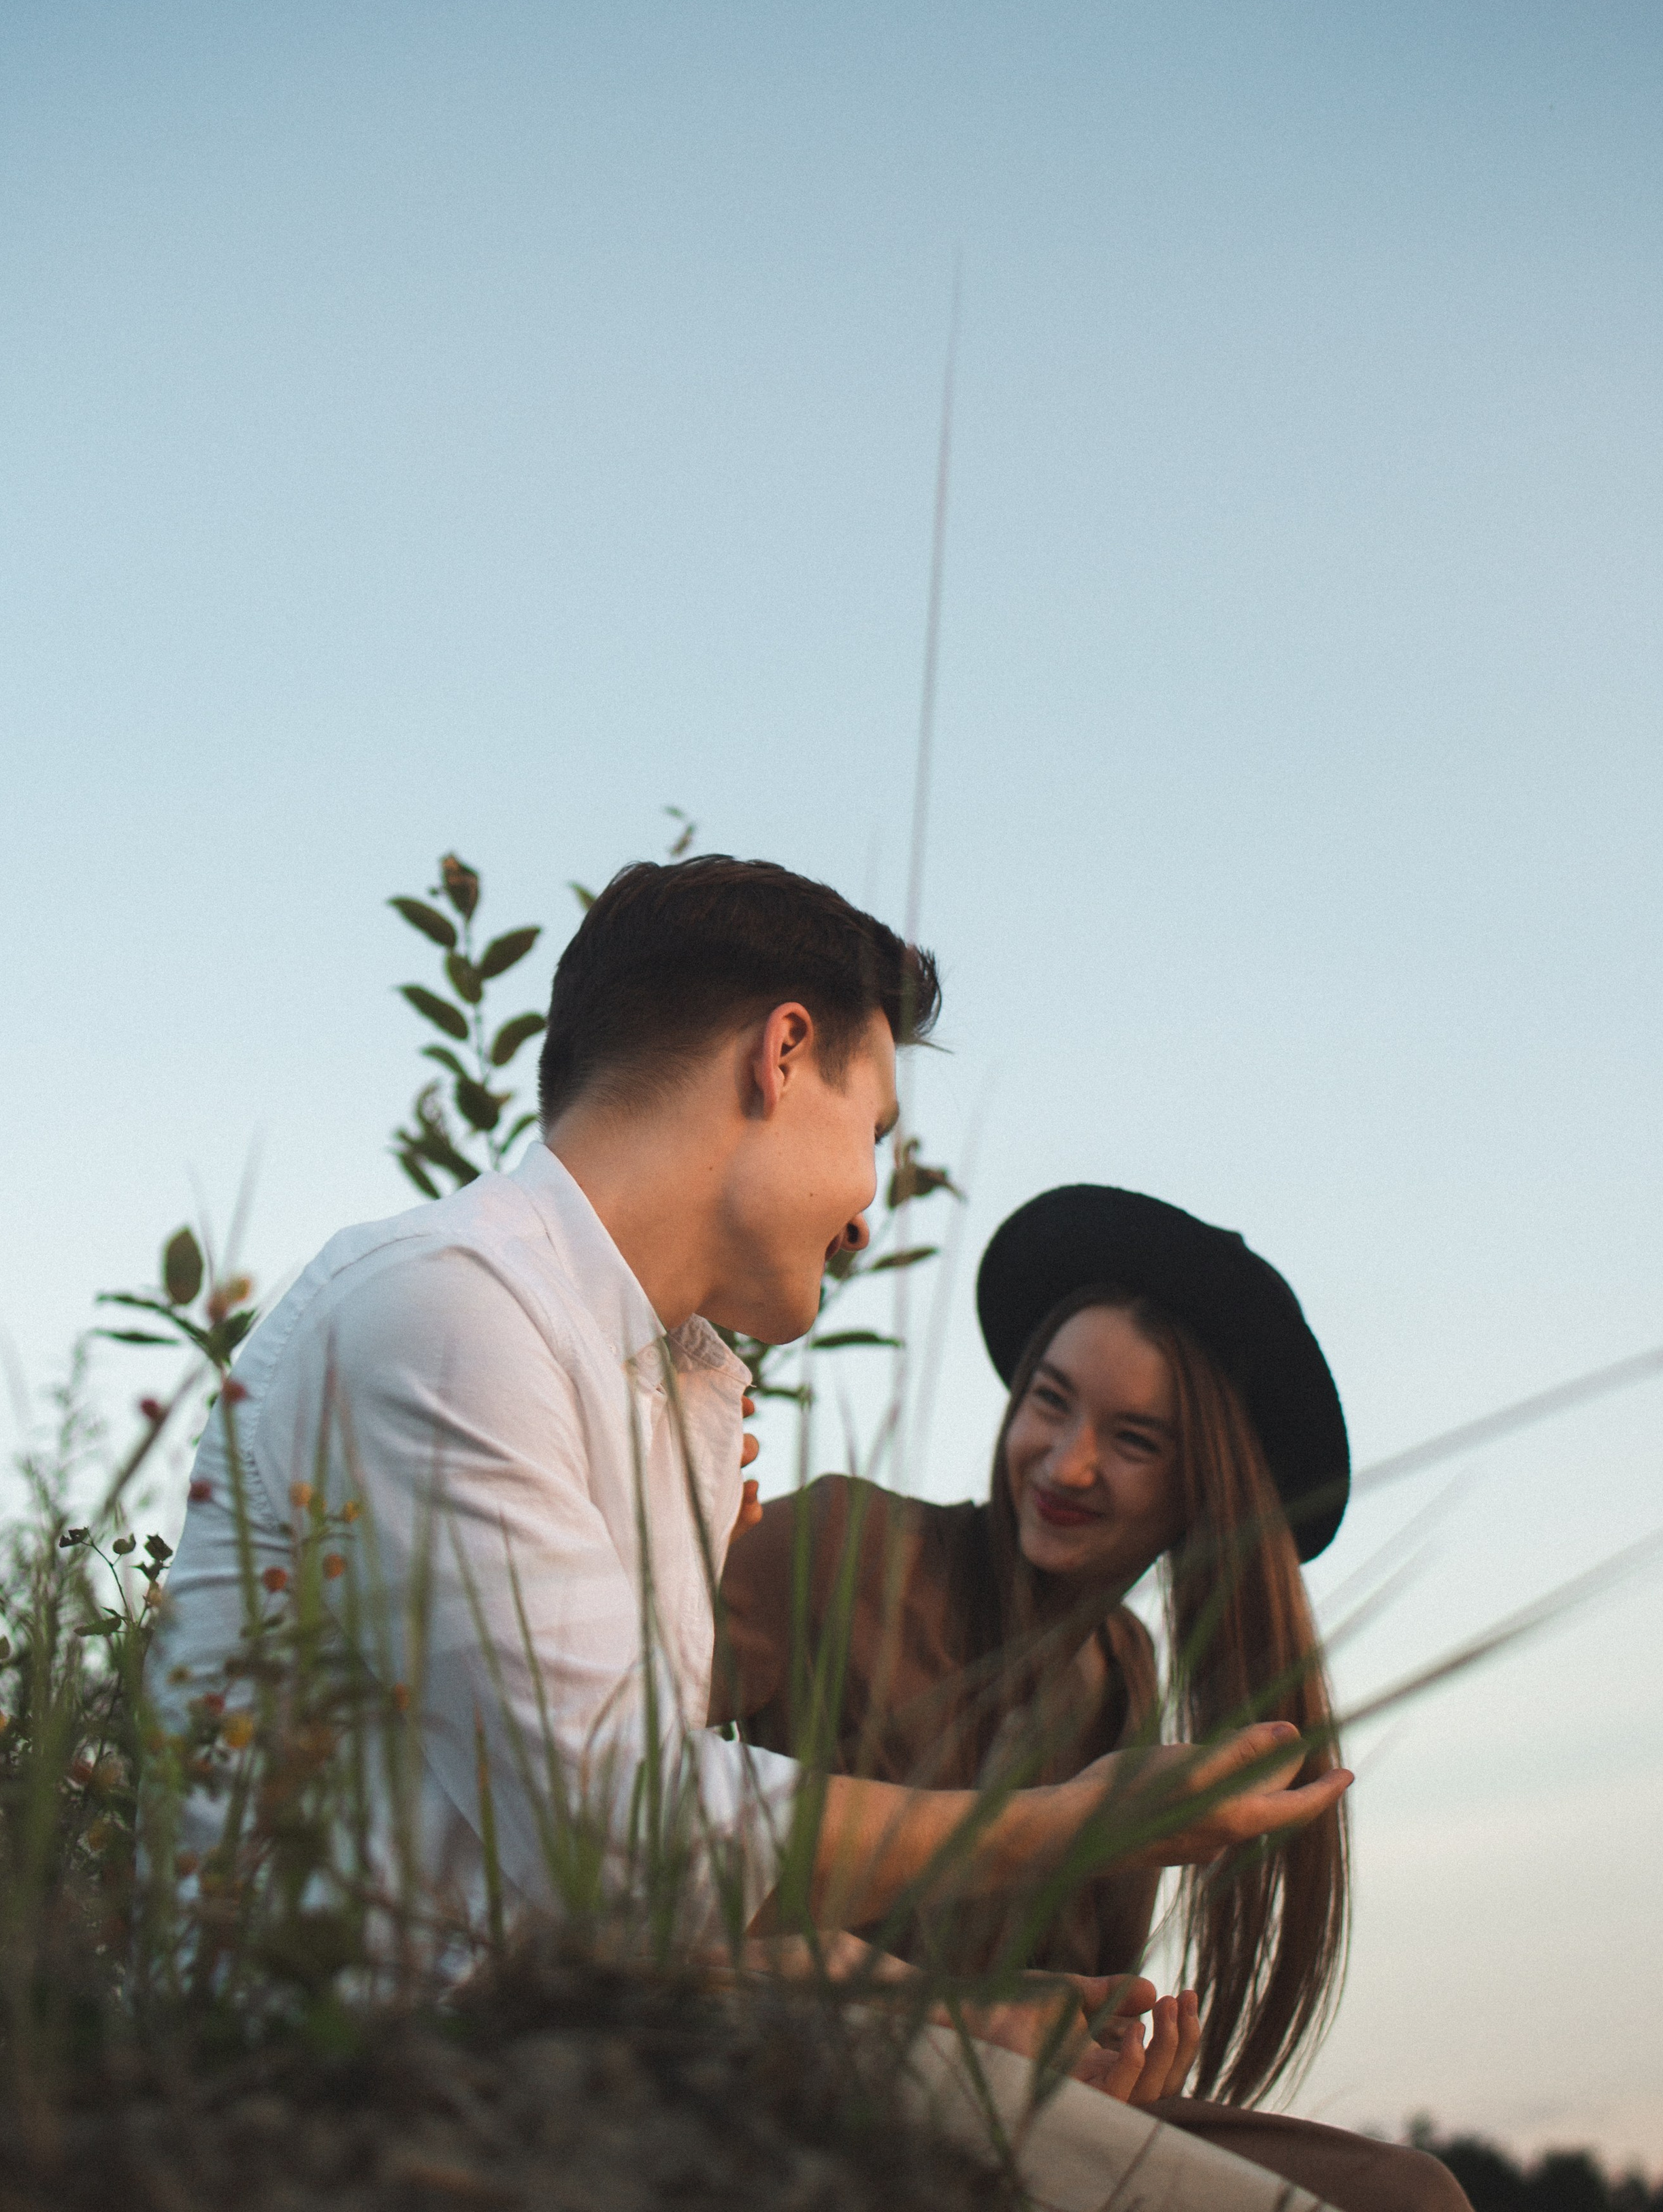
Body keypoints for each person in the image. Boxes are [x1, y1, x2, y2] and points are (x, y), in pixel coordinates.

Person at [156, 861, 1353, 2212]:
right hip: (378, 2079)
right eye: (877, 1130)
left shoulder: (662, 1389)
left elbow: (631, 1896)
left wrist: (950, 2007)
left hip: (563, 2042)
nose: (865, 1206)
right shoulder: (450, 1311)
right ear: (782, 1055)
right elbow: (623, 1847)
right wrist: (1052, 1832)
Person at [717, 1184, 1468, 2212]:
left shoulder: (1128, 1682)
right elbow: (603, 1818)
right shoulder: (842, 1544)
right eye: (1051, 1401)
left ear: (1201, 1490)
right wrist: (966, 2018)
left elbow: (1068, 2002)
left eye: (1135, 1440)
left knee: (1406, 2191)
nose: (1067, 1464)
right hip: (794, 2057)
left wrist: (1104, 2043)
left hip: (1008, 2109)